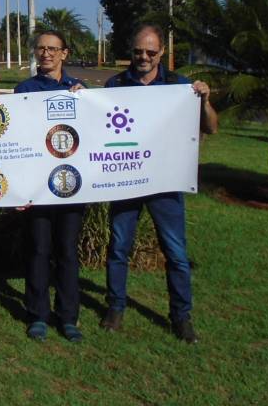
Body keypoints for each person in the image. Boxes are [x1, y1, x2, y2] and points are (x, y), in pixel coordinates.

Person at [101, 23, 218, 343]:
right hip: (126, 180)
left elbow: (211, 127)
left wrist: (205, 100)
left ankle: (181, 316)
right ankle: (115, 308)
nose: (144, 57)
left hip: (166, 182)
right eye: (138, 51)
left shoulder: (180, 86)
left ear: (162, 52)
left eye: (151, 52)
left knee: (176, 252)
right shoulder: (115, 85)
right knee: (118, 247)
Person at [13, 30, 87, 343]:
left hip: (71, 184)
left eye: (53, 49)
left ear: (64, 54)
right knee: (39, 250)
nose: (46, 54)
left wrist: (84, 101)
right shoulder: (24, 89)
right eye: (41, 48)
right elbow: (17, 138)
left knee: (67, 252)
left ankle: (68, 317)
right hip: (37, 186)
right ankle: (38, 314)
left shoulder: (79, 90)